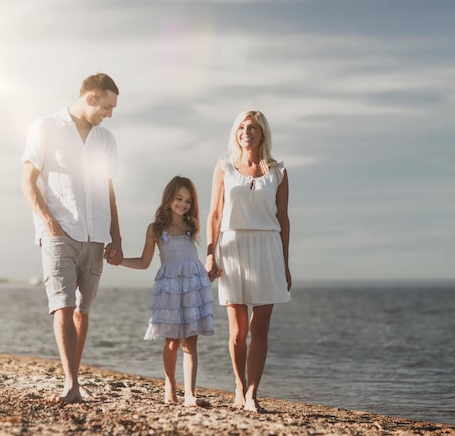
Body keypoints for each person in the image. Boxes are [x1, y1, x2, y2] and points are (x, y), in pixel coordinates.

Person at [21, 72, 124, 403]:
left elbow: (109, 189)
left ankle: (74, 380)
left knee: (83, 310)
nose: (109, 114)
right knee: (62, 306)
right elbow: (28, 181)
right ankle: (70, 383)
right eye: (107, 106)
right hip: (60, 231)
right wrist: (49, 222)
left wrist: (116, 237)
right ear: (90, 97)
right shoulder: (46, 127)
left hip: (96, 235)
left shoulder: (106, 140)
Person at [205, 110, 291, 412]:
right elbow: (215, 214)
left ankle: (253, 393)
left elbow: (283, 218)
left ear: (263, 133)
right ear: (236, 133)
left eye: (253, 127)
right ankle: (239, 388)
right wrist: (210, 253)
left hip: (267, 247)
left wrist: (285, 262)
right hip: (233, 246)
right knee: (238, 331)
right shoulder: (224, 168)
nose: (247, 132)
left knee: (261, 328)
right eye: (242, 127)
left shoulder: (278, 171)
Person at [119, 176, 214, 406]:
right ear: (169, 198)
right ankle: (170, 384)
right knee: (172, 341)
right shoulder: (156, 229)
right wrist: (119, 260)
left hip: (193, 287)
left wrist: (210, 270)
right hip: (170, 289)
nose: (183, 204)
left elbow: (194, 260)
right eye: (179, 199)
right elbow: (144, 262)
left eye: (188, 201)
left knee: (191, 341)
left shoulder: (191, 227)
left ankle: (190, 394)